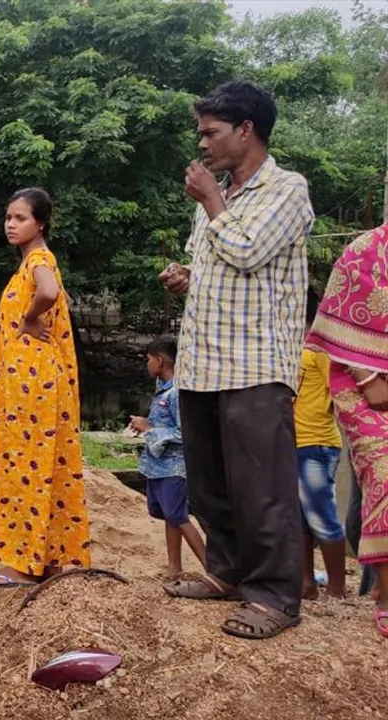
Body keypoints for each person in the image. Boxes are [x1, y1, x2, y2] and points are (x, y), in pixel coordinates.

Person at [158, 80, 312, 639]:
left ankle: (274, 597)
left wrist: (212, 201)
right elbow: (221, 264)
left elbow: (248, 251)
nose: (202, 144)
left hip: (255, 366)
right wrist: (186, 279)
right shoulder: (217, 197)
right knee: (211, 481)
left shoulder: (287, 190)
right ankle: (225, 571)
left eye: (211, 133)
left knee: (261, 487)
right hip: (203, 365)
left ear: (246, 130)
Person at [0, 188, 89, 588]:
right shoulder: (34, 262)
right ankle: (53, 558)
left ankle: (22, 564)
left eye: (20, 218)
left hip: (32, 382)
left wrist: (28, 318)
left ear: (40, 224)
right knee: (47, 465)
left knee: (26, 466)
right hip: (34, 379)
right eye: (8, 217)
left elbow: (49, 293)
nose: (10, 224)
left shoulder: (39, 259)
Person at [306, 222, 388, 637]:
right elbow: (341, 327)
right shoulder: (363, 253)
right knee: (383, 472)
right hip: (363, 383)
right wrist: (368, 375)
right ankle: (384, 594)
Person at [129, 336, 207, 578]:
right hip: (158, 466)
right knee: (169, 514)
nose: (147, 364)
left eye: (149, 359)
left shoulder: (176, 394)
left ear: (160, 361)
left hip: (174, 467)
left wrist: (150, 430)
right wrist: (146, 425)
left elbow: (187, 433)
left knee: (178, 515)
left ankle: (212, 569)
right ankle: (174, 567)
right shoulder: (161, 391)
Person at [294, 296, 347, 601]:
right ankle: (306, 583)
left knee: (322, 515)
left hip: (317, 442)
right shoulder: (294, 346)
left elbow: (337, 391)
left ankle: (337, 588)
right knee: (300, 517)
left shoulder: (320, 348)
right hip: (295, 442)